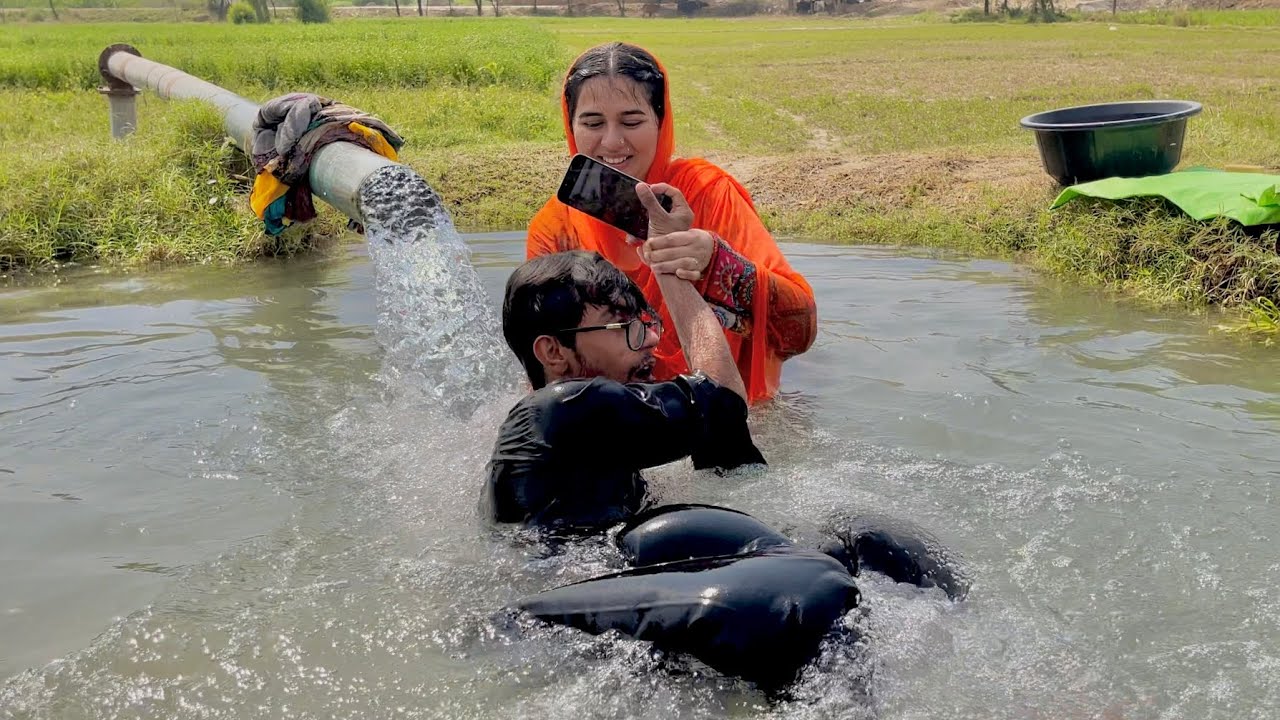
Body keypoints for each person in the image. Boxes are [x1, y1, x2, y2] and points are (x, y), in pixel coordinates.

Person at [485, 192, 964, 688]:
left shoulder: (586, 425)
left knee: (865, 540)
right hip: (560, 621)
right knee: (808, 587)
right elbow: (720, 399)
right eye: (625, 328)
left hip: (619, 595)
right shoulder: (563, 407)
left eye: (644, 323)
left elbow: (726, 452)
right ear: (552, 351)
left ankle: (955, 672)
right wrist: (671, 268)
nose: (651, 341)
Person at [526, 41, 818, 404]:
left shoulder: (708, 194)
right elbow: (547, 363)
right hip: (618, 417)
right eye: (592, 123)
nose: (612, 141)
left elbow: (798, 332)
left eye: (632, 121)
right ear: (571, 127)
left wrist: (716, 263)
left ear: (661, 122)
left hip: (735, 412)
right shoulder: (556, 228)